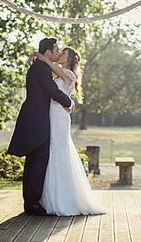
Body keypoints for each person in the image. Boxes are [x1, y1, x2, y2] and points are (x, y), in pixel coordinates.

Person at [33, 47, 105, 216]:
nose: (60, 55)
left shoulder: (69, 74)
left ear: (70, 58)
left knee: (59, 151)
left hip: (59, 117)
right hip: (50, 114)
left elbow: (50, 66)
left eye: (63, 53)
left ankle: (63, 199)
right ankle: (50, 196)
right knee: (51, 153)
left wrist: (39, 56)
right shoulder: (56, 73)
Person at [7, 37, 74, 215]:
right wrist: (68, 102)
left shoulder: (41, 66)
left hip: (36, 118)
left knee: (34, 161)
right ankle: (32, 203)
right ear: (48, 52)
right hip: (36, 119)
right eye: (57, 50)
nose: (59, 52)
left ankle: (30, 202)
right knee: (38, 161)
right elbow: (52, 90)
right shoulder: (41, 68)